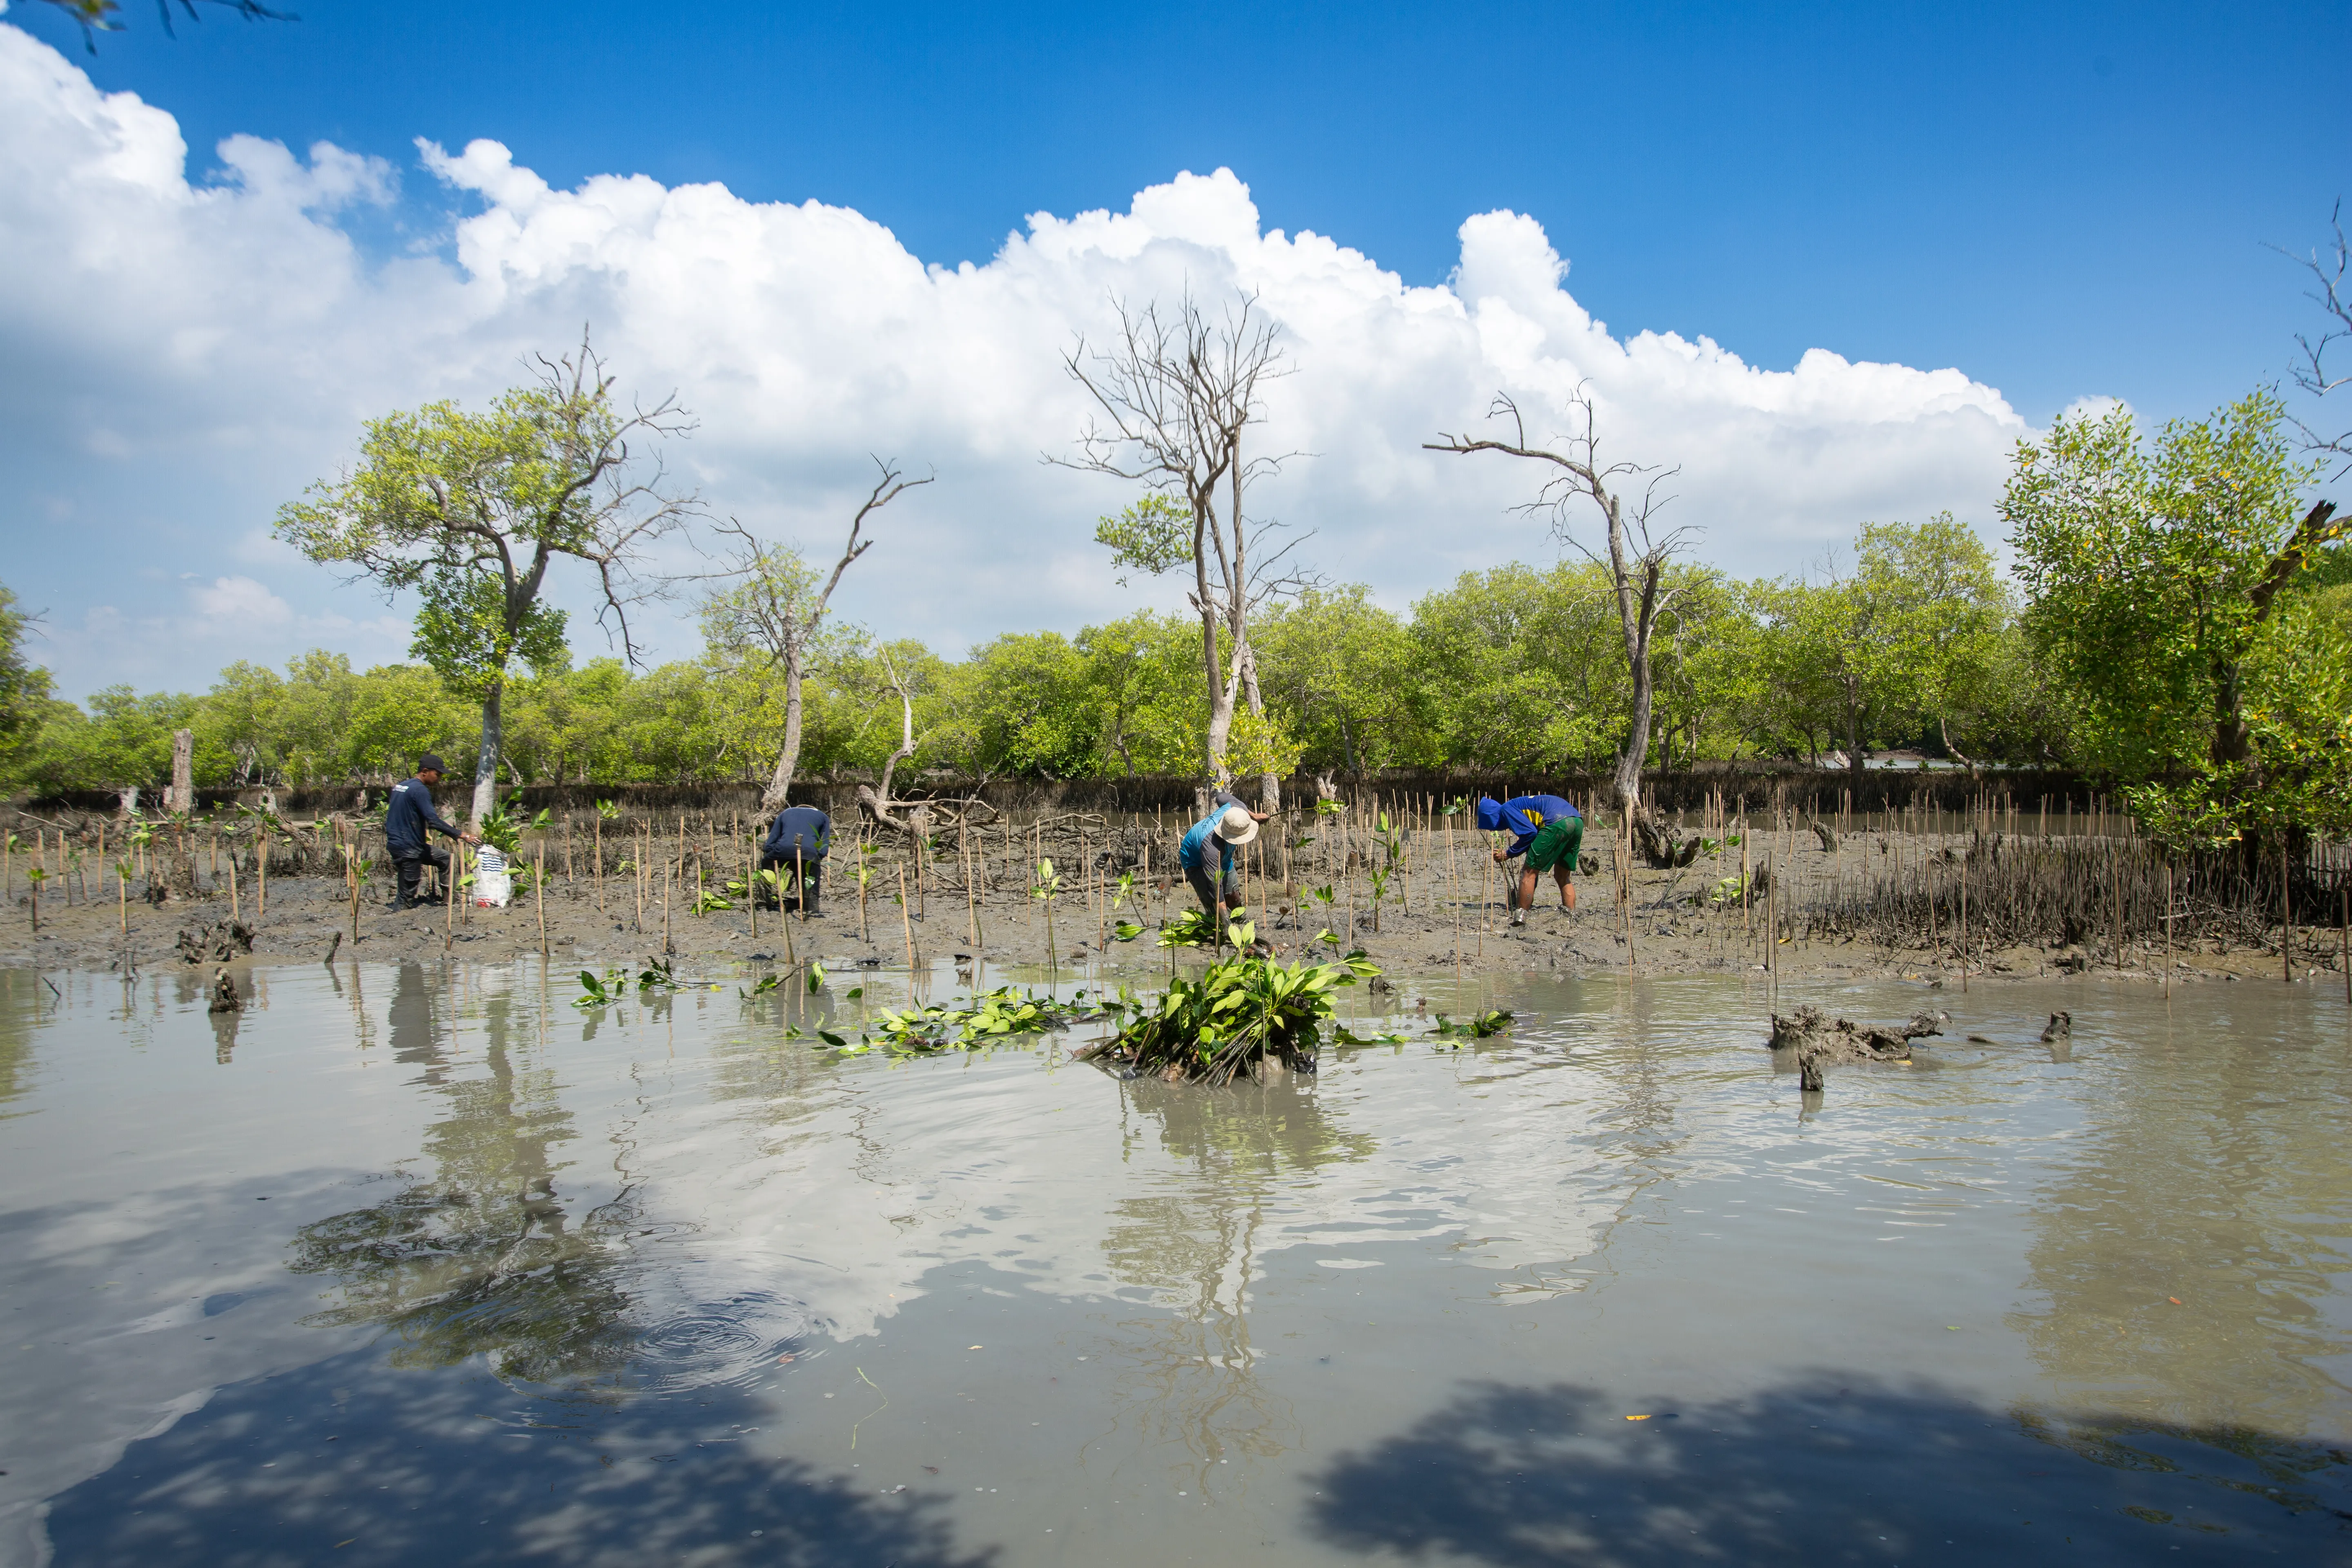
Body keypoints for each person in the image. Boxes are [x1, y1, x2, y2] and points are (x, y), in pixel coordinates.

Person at [385, 755, 478, 910]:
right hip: (409, 848)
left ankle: (450, 902)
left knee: (445, 858)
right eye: (438, 774)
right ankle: (398, 916)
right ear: (425, 771)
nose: (440, 779)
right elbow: (433, 821)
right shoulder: (420, 790)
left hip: (403, 844)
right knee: (406, 895)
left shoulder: (401, 786)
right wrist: (461, 834)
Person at [1475, 793, 1581, 925]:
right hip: (1576, 821)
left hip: (1556, 822)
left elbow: (1530, 834)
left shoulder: (1506, 810)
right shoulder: (1518, 805)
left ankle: (1520, 919)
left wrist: (1508, 853)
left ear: (1491, 819)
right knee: (1562, 876)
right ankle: (1570, 917)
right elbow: (1533, 843)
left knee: (1528, 873)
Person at [1178, 802, 1259, 938]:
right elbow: (1216, 887)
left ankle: (1242, 924)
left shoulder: (1235, 806)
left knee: (1234, 898)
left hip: (1224, 857)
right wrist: (1226, 922)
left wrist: (1254, 815)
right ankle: (1219, 929)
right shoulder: (1212, 849)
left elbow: (1223, 797)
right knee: (1213, 906)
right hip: (1195, 861)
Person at [761, 803, 832, 914]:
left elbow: (771, 842)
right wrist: (818, 857)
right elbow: (824, 845)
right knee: (810, 876)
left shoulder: (785, 813)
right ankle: (811, 906)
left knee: (766, 864)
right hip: (810, 853)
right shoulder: (823, 817)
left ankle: (764, 902)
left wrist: (770, 852)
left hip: (783, 850)